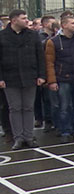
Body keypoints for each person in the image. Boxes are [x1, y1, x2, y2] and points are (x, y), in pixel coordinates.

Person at [0, 10, 46, 149]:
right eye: (23, 18)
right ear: (14, 20)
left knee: (28, 108)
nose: (27, 21)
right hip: (10, 78)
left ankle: (29, 136)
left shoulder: (33, 36)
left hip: (30, 76)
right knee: (14, 108)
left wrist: (41, 75)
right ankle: (18, 138)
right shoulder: (2, 36)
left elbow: (40, 57)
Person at [44, 15, 74, 143]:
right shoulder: (53, 42)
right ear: (64, 25)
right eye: (72, 23)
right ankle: (64, 131)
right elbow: (49, 63)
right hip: (63, 79)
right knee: (64, 106)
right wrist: (52, 81)